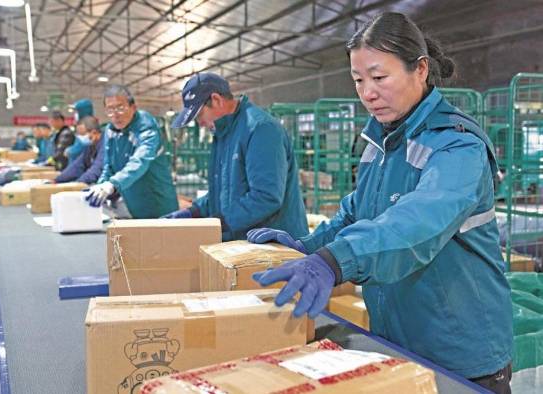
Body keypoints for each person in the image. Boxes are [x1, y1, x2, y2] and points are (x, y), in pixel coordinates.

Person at [248, 12, 513, 393]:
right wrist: (308, 247)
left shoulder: (458, 146)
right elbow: (357, 211)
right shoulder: (382, 144)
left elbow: (417, 223)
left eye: (379, 77)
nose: (367, 92)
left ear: (420, 70)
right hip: (397, 338)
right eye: (358, 80)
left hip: (459, 352)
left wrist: (336, 261)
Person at [164, 72, 308, 241]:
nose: (200, 123)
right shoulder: (223, 134)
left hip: (275, 245)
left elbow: (266, 196)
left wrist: (220, 223)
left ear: (216, 100)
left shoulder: (260, 129)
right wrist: (193, 211)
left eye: (199, 115)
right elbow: (222, 192)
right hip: (245, 242)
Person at [85, 85, 178, 218]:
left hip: (158, 201)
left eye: (120, 108)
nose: (115, 115)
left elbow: (140, 161)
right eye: (110, 110)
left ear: (133, 107)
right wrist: (100, 187)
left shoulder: (146, 128)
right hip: (134, 203)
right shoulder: (110, 132)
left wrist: (113, 184)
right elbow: (108, 166)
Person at [55, 116, 104, 185]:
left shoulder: (105, 144)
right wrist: (57, 180)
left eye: (82, 134)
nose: (81, 138)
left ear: (94, 132)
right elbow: (77, 165)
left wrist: (78, 183)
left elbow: (97, 168)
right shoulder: (90, 147)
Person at [65, 98, 96, 163]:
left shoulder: (88, 125)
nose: (75, 114)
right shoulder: (82, 124)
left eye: (76, 111)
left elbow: (85, 145)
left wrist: (70, 151)